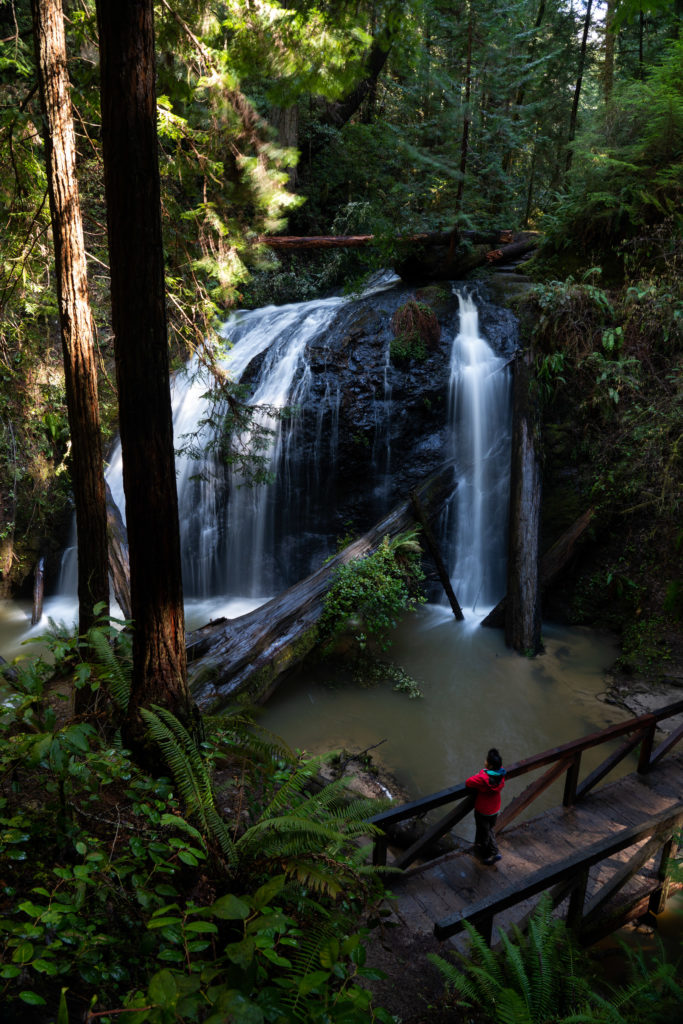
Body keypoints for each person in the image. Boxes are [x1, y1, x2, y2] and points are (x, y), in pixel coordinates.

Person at [466, 748, 506, 865]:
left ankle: (490, 854)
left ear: (490, 765)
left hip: (483, 810)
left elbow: (468, 782)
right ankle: (485, 848)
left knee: (485, 832)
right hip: (495, 809)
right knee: (488, 829)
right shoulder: (502, 775)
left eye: (486, 760)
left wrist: (481, 773)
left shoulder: (483, 778)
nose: (485, 761)